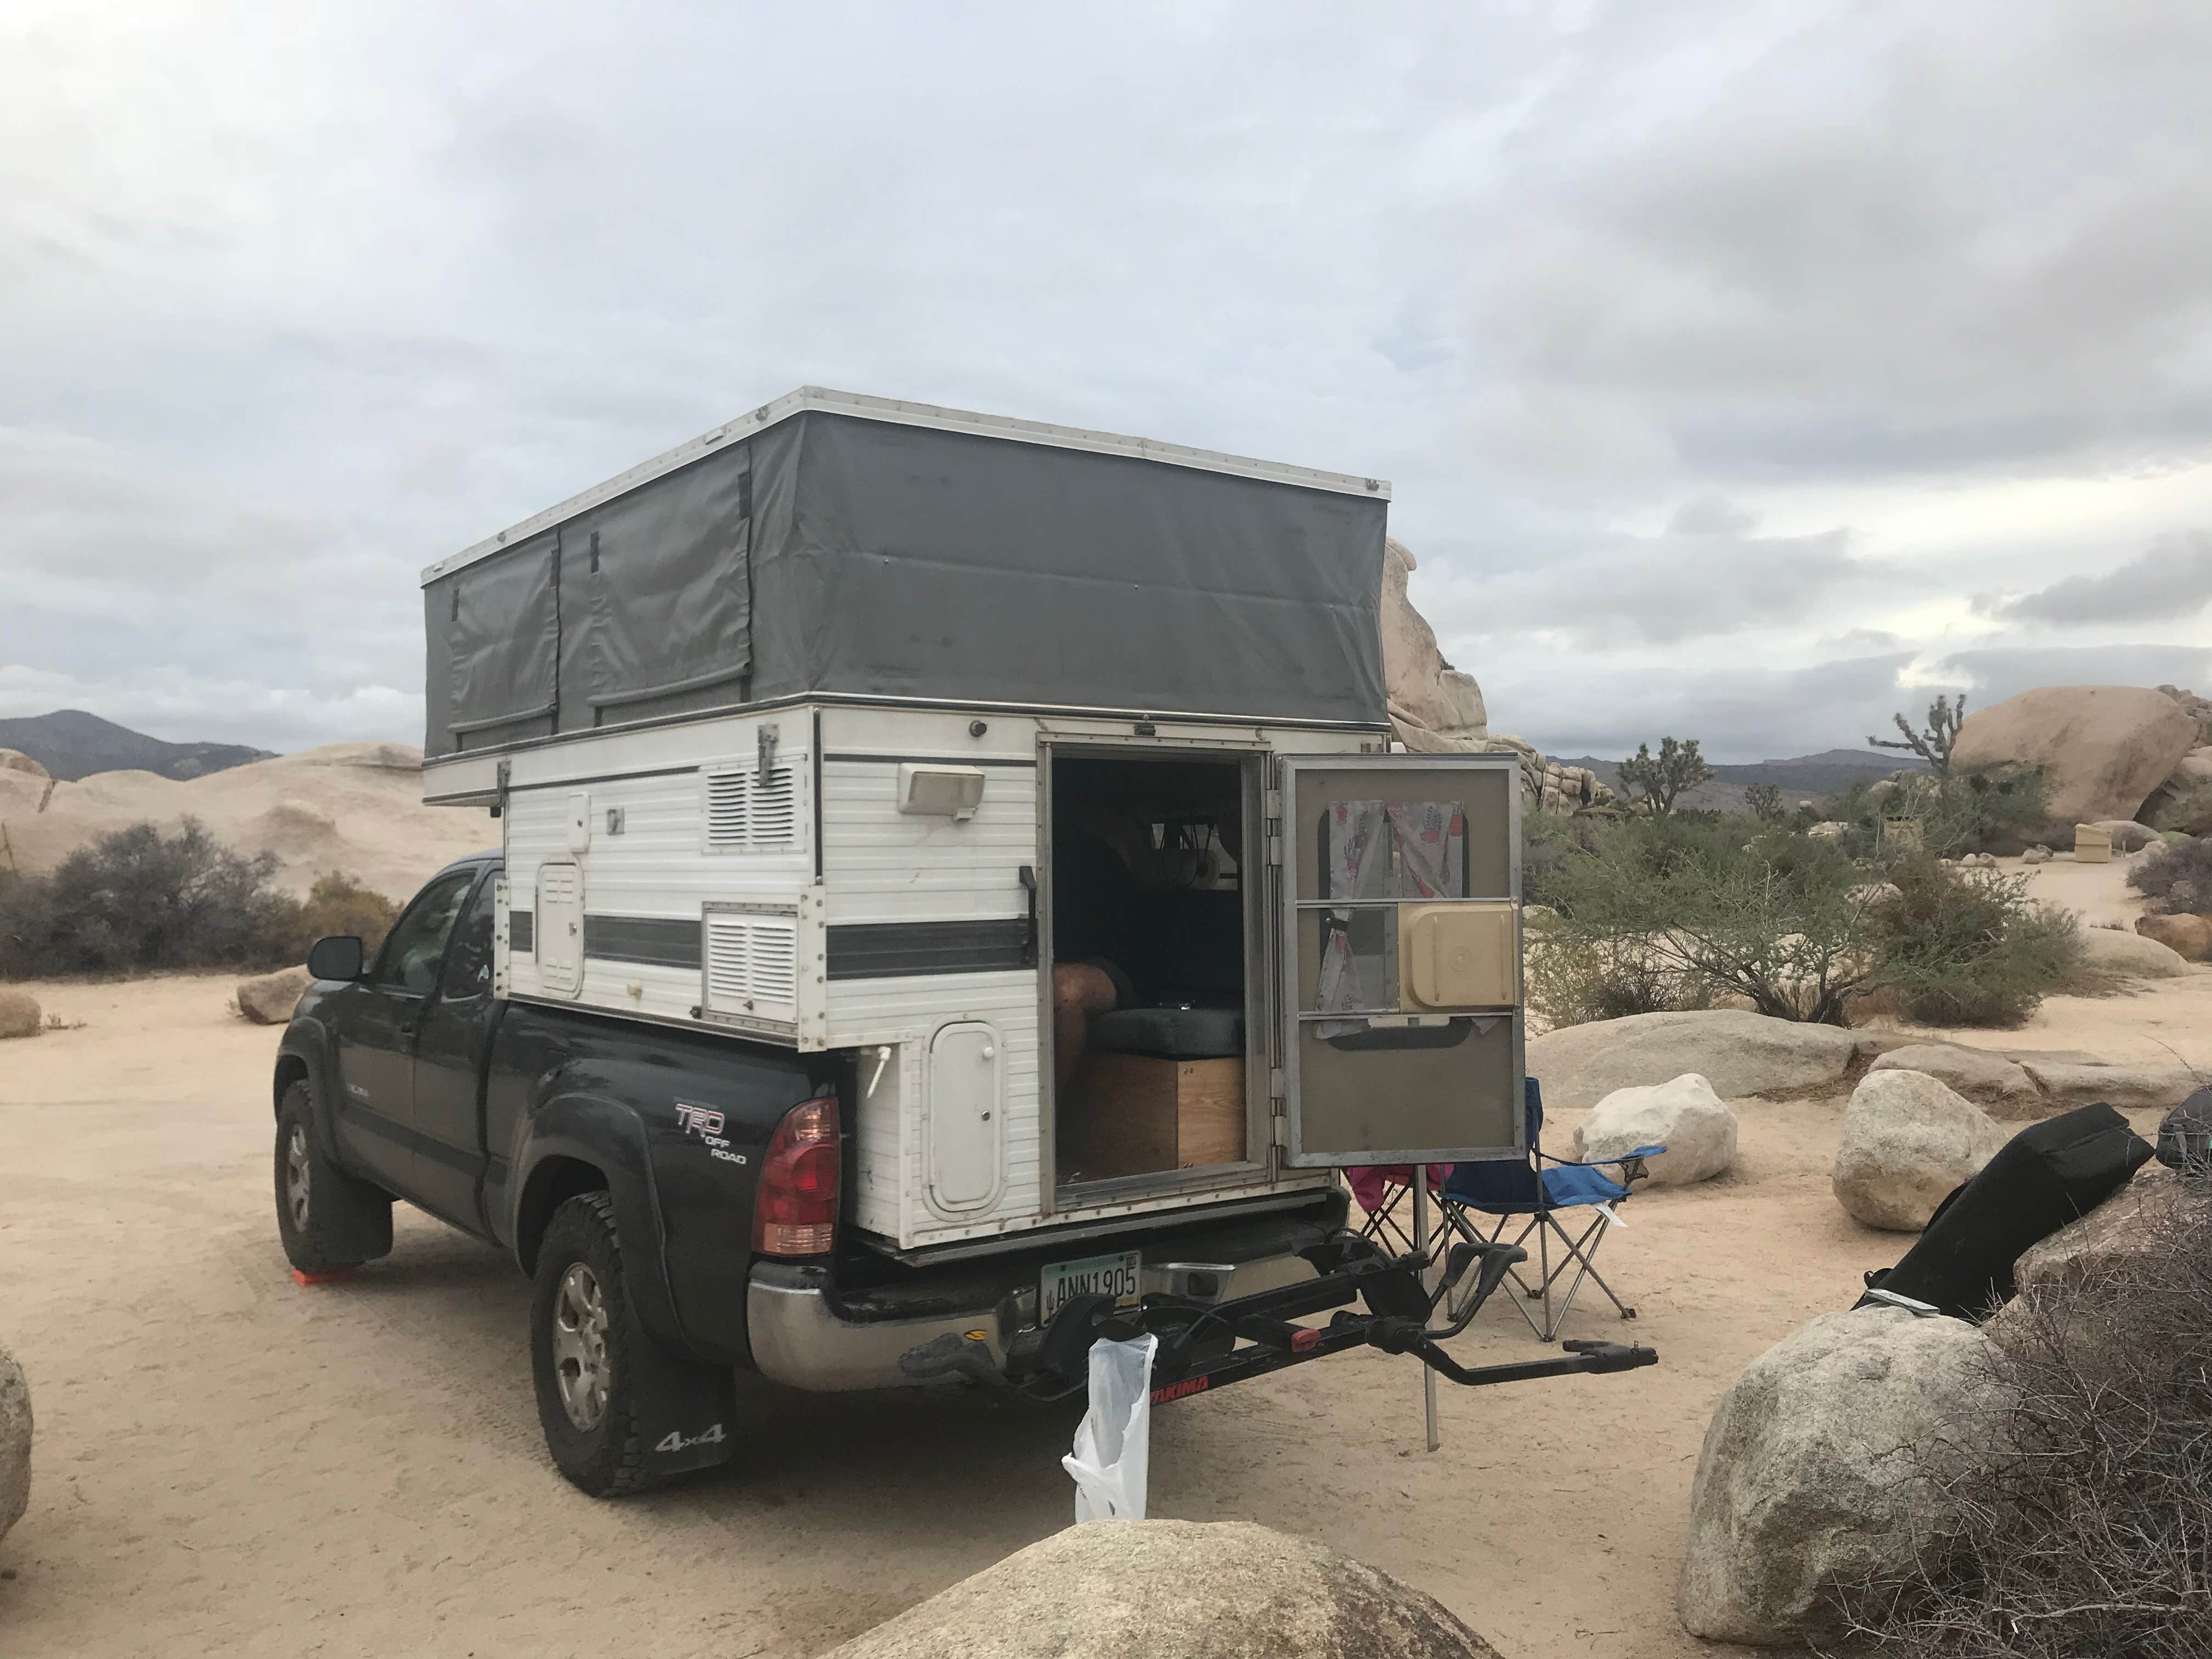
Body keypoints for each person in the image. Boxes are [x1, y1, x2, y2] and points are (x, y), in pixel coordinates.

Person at [1050, 823, 1136, 1095]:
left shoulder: (1097, 858)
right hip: (1038, 962)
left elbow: (1127, 934)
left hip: (1114, 968)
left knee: (1064, 990)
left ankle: (1049, 1119)